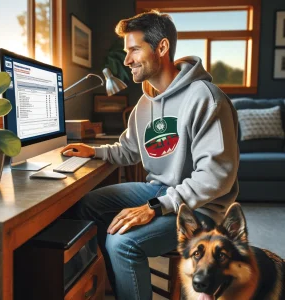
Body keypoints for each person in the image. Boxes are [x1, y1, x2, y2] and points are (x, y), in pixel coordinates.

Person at [61, 10, 239, 300]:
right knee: (87, 205)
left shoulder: (206, 97)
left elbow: (216, 177)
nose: (127, 59)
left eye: (134, 49)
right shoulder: (145, 102)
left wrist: (154, 207)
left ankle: (127, 269)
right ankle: (118, 287)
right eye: (126, 51)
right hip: (159, 190)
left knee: (122, 244)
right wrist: (94, 151)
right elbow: (129, 149)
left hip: (202, 209)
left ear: (162, 47)